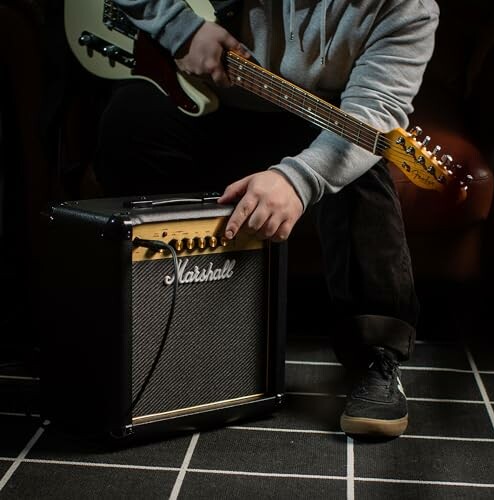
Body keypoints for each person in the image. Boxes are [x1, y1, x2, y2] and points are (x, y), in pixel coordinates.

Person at [93, 0, 440, 438]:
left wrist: (297, 179)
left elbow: (373, 112)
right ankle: (145, 327)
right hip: (213, 106)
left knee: (363, 169)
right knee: (130, 121)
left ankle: (376, 355)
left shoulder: (411, 8)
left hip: (320, 124)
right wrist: (180, 28)